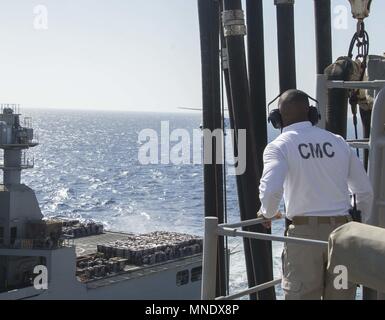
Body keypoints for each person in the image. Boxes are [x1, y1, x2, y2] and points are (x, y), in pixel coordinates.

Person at [258, 89, 374, 300]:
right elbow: (364, 192)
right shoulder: (338, 142)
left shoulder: (279, 146)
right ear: (312, 114)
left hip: (304, 237)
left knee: (301, 295)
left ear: (277, 118)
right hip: (342, 236)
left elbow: (272, 190)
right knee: (342, 295)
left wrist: (267, 213)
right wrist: (359, 221)